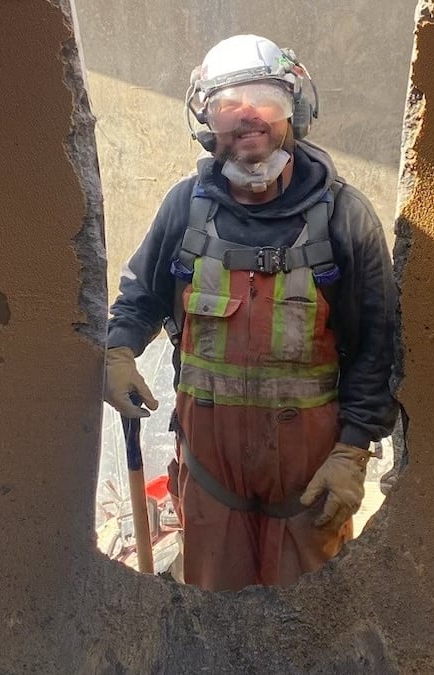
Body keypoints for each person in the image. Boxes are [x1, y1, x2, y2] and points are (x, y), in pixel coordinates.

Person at [103, 34, 398, 591]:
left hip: (310, 490)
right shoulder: (184, 210)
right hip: (212, 488)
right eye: (226, 106)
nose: (247, 118)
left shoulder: (345, 218)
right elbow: (140, 296)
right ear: (207, 122)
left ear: (296, 111)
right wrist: (118, 348)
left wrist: (353, 453)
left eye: (265, 100)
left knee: (312, 629)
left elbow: (377, 350)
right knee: (212, 624)